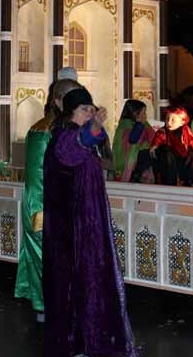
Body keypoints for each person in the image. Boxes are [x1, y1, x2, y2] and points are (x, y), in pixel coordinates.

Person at [42, 87, 137, 357]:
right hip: (70, 231)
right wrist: (94, 126)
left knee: (90, 282)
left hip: (87, 226)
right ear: (71, 112)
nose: (90, 113)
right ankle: (75, 342)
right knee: (72, 285)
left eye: (91, 109)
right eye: (84, 109)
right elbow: (78, 144)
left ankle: (87, 339)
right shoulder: (64, 138)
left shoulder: (76, 136)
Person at [15, 77, 81, 321]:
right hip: (50, 204)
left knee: (43, 256)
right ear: (58, 101)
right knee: (54, 258)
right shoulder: (58, 131)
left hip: (38, 202)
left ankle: (44, 306)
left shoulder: (40, 127)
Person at [151, 107, 193, 186]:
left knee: (192, 157)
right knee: (166, 153)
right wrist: (155, 146)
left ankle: (190, 181)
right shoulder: (163, 131)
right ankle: (169, 182)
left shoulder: (186, 131)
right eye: (167, 119)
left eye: (173, 120)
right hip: (169, 159)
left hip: (182, 158)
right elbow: (158, 139)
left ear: (182, 122)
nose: (169, 122)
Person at [112, 99, 156, 182]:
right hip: (132, 168)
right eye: (143, 113)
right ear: (135, 114)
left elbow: (153, 137)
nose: (145, 116)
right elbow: (132, 140)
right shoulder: (125, 126)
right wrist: (139, 124)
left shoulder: (144, 125)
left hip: (142, 165)